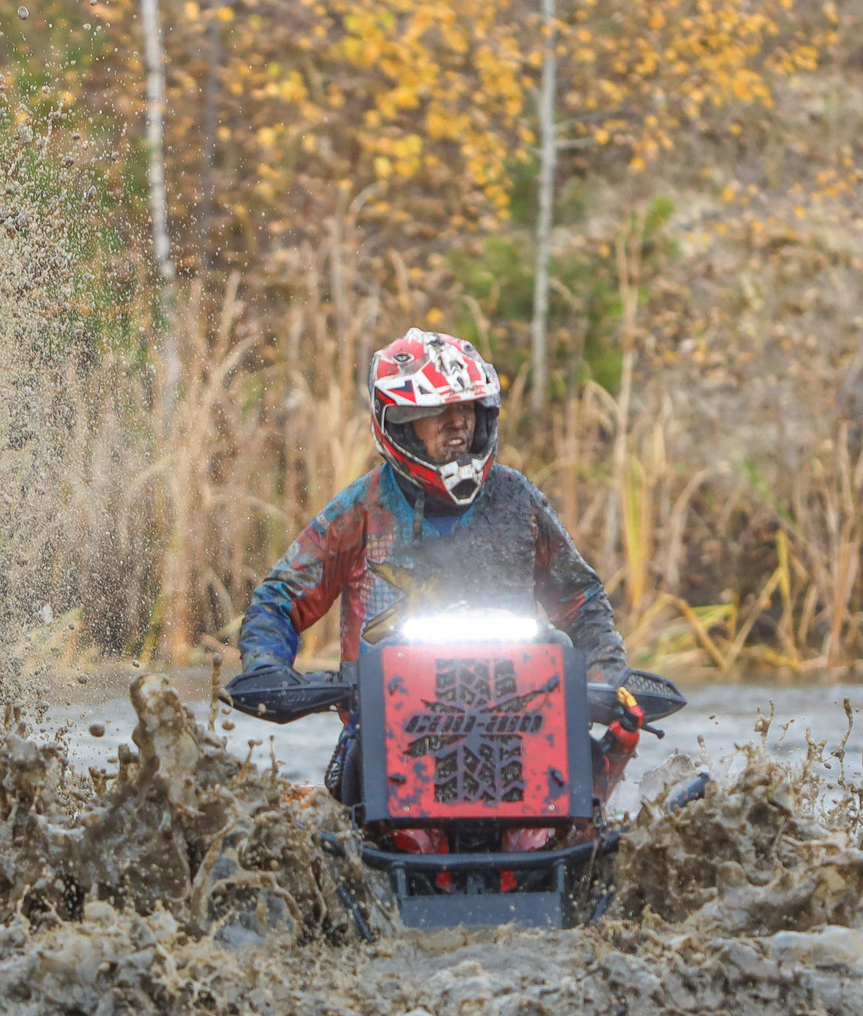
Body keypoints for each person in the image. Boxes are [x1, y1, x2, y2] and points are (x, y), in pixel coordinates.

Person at [234, 329, 642, 842]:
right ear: (400, 426)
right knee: (374, 815)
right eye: (438, 411)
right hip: (391, 740)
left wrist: (605, 678)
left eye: (469, 409)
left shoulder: (518, 499)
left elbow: (582, 602)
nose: (458, 424)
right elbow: (280, 598)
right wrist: (269, 669)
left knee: (580, 784)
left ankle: (577, 846)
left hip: (519, 736)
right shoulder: (363, 508)